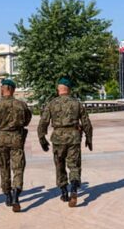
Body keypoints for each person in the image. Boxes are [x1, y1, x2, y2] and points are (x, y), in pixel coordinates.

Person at [37, 77, 93, 207]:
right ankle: (73, 189)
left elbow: (43, 123)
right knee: (74, 165)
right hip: (74, 137)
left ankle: (64, 192)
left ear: (59, 89)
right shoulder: (77, 103)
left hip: (58, 138)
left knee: (59, 164)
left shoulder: (52, 103)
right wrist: (89, 138)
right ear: (69, 89)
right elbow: (86, 123)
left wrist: (42, 138)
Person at [0, 78, 32, 212]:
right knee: (18, 168)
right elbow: (27, 120)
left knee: (4, 167)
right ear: (13, 90)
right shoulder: (21, 105)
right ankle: (16, 196)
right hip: (16, 139)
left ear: (3, 89)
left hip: (1, 139)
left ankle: (7, 194)